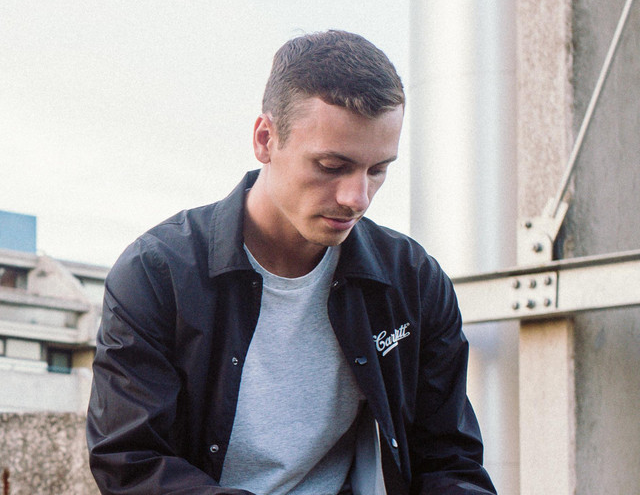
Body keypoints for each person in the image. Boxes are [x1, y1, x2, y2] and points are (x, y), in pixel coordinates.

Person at [86, 30, 496, 495]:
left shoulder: (413, 281)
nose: (357, 198)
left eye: (378, 169)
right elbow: (131, 463)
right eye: (331, 166)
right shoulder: (157, 274)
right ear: (266, 139)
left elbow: (449, 460)